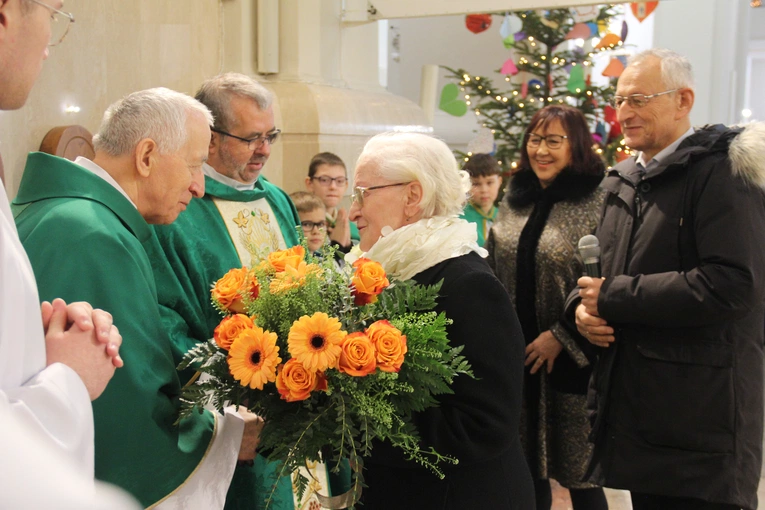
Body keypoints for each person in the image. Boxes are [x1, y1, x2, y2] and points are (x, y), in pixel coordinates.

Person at [13, 87, 265, 508]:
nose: (200, 187)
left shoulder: (74, 216)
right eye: (195, 165)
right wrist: (223, 436)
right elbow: (124, 411)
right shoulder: (90, 235)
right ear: (146, 156)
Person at [568, 48, 765, 510]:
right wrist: (580, 314)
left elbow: (733, 283)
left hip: (701, 430)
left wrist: (613, 297)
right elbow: (597, 276)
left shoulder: (721, 173)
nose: (624, 113)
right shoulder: (624, 181)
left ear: (683, 100)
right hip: (643, 421)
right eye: (618, 101)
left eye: (639, 99)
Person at [349, 132, 534, 509]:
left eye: (362, 193)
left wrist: (355, 424)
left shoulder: (469, 284)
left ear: (412, 196)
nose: (352, 212)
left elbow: (485, 425)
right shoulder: (394, 271)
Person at [147, 72, 303, 508]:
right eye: (251, 138)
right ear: (211, 137)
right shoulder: (178, 209)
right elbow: (166, 316)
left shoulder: (275, 199)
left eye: (271, 135)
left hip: (297, 397)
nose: (265, 149)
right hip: (235, 411)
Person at [0, 1, 133, 507]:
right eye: (54, 14)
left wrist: (33, 347)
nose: (50, 45)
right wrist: (69, 380)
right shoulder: (91, 229)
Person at [485, 105, 607, 510]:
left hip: (572, 360)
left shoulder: (598, 199)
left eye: (554, 141)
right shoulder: (514, 197)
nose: (541, 150)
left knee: (582, 479)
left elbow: (604, 278)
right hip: (516, 358)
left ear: (577, 147)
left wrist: (560, 335)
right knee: (524, 471)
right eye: (535, 140)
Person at [304, 151, 359, 251]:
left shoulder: (352, 229)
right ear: (309, 183)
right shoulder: (300, 224)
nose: (333, 187)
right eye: (324, 180)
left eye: (339, 181)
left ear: (346, 185)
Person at [459, 153, 502, 247]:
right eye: (476, 184)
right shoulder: (460, 219)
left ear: (499, 182)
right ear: (467, 185)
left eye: (490, 183)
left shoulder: (504, 217)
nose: (484, 190)